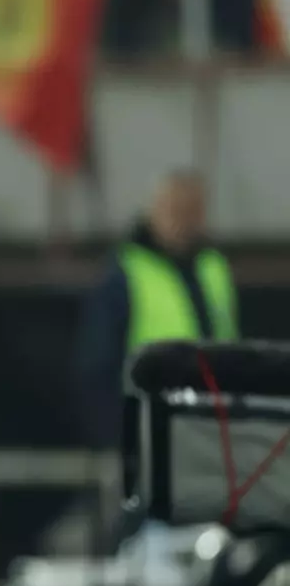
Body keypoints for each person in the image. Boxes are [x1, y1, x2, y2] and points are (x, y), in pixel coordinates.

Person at [77, 169, 238, 450]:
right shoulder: (126, 271)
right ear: (155, 210)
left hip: (210, 434)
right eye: (176, 210)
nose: (185, 221)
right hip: (149, 430)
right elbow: (98, 364)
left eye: (193, 211)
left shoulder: (214, 267)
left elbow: (233, 348)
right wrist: (116, 437)